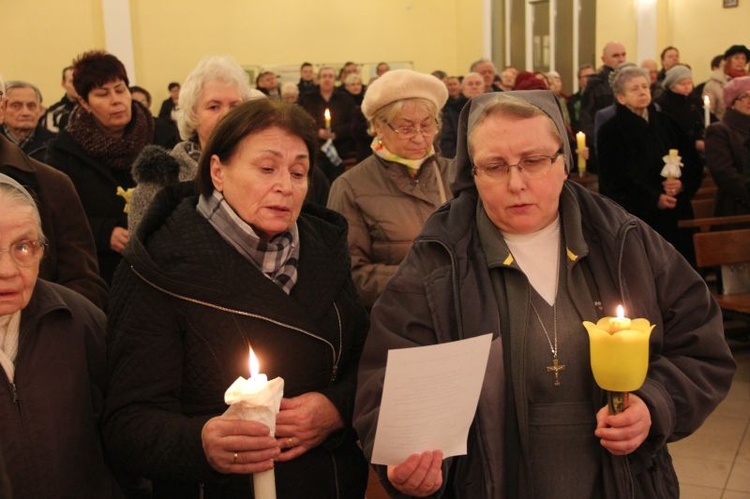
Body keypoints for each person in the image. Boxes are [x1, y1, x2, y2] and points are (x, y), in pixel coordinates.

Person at [353, 90, 736, 498]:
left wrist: (654, 404)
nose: (517, 183)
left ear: (564, 163)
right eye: (495, 166)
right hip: (490, 483)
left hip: (621, 482)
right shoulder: (439, 259)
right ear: (472, 173)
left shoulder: (623, 241)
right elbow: (385, 380)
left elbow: (701, 346)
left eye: (534, 161)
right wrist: (406, 465)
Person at [103, 98, 369, 498]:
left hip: (328, 481)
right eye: (266, 168)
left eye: (299, 172)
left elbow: (365, 367)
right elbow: (127, 423)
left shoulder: (325, 251)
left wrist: (336, 409)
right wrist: (201, 442)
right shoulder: (159, 266)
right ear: (218, 172)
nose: (286, 185)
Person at [0, 174, 120, 497]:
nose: (8, 269)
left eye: (23, 247)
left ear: (42, 251)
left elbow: (123, 440)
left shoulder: (80, 322)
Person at [327, 69, 452, 308]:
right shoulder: (350, 187)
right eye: (406, 128)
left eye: (427, 126)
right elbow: (350, 274)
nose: (419, 138)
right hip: (396, 319)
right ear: (378, 127)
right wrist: (423, 280)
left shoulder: (455, 174)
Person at [44, 50, 154, 284]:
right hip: (99, 268)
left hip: (157, 259)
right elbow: (58, 215)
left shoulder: (160, 135)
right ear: (84, 103)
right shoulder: (65, 151)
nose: (116, 100)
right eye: (102, 94)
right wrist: (105, 233)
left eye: (120, 89)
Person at [128, 55, 263, 233]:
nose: (227, 115)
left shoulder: (265, 170)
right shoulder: (161, 180)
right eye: (214, 107)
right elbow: (140, 253)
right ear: (193, 116)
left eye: (235, 106)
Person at [597, 66, 703, 264]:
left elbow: (692, 161)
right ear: (621, 97)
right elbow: (614, 179)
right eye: (634, 88)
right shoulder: (610, 132)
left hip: (675, 213)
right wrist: (654, 198)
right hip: (637, 216)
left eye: (645, 87)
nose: (642, 92)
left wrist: (682, 184)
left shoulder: (667, 123)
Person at [298, 66, 357, 182]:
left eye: (330, 76)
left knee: (337, 181)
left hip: (339, 150)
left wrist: (336, 134)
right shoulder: (307, 98)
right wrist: (317, 132)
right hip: (315, 149)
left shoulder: (345, 99)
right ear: (318, 79)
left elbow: (352, 124)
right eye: (324, 76)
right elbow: (301, 121)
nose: (327, 79)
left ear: (335, 79)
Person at [704, 76, 750, 216]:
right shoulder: (719, 131)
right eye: (745, 96)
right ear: (732, 102)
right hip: (736, 208)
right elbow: (724, 173)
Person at [580, 41, 627, 170]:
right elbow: (587, 119)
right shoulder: (595, 85)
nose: (621, 59)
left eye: (623, 54)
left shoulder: (630, 81)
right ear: (604, 59)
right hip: (605, 147)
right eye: (616, 56)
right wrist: (600, 142)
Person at [655, 65, 706, 154]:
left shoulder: (695, 100)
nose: (687, 87)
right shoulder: (664, 103)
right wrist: (693, 142)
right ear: (672, 85)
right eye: (682, 84)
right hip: (678, 150)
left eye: (689, 83)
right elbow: (670, 131)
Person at [1, 81, 56, 162]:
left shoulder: (55, 145)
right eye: (16, 106)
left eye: (31, 106)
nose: (25, 113)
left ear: (40, 110)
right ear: (2, 108)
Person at [440, 72, 483, 159]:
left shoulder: (492, 109)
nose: (474, 87)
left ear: (483, 88)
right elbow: (447, 143)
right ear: (462, 88)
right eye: (470, 84)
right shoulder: (452, 111)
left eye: (478, 83)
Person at [704, 45, 750, 120]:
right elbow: (709, 111)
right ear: (728, 60)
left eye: (743, 58)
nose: (740, 61)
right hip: (723, 126)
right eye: (736, 58)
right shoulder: (713, 84)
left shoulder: (748, 82)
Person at [130, 85, 181, 150]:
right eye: (135, 102)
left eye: (143, 101)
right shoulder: (125, 130)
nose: (140, 105)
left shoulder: (164, 127)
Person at [43, 65, 78, 133]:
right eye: (71, 81)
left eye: (79, 81)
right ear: (63, 84)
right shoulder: (54, 112)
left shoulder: (94, 108)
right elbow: (50, 140)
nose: (76, 85)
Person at [567, 64, 596, 134]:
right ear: (579, 80)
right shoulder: (572, 100)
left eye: (593, 76)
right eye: (587, 76)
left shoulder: (602, 97)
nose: (590, 79)